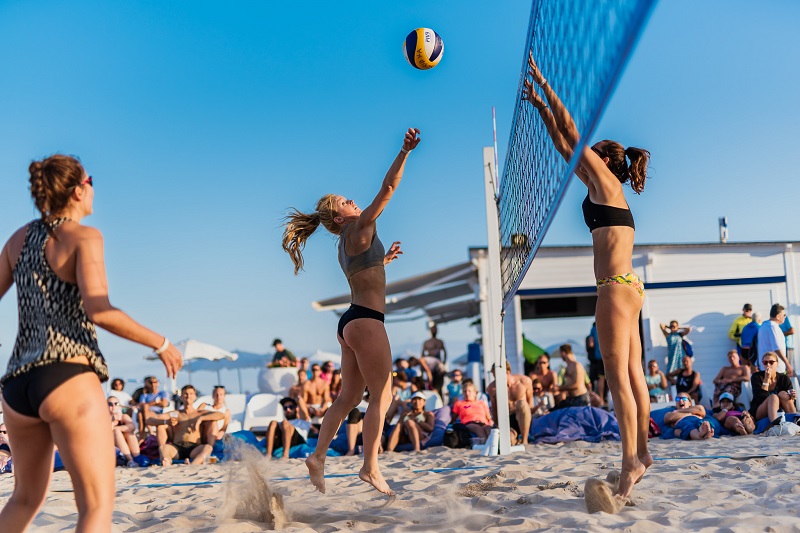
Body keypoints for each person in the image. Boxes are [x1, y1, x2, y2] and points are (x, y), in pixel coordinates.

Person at [0, 154, 182, 530]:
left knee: (24, 499)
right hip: (66, 375)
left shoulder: (17, 239)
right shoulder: (84, 236)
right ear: (79, 188)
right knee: (96, 506)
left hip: (18, 383)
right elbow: (100, 310)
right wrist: (161, 343)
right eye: (92, 180)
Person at [523, 55, 652, 499]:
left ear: (604, 161)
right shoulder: (602, 188)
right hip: (630, 287)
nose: (584, 159)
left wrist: (546, 83)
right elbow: (565, 146)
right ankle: (643, 453)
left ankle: (630, 462)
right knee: (633, 375)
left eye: (591, 157)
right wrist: (540, 109)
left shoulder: (607, 185)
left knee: (618, 379)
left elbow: (573, 135)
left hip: (614, 290)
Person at [281, 127, 420, 495]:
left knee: (348, 398)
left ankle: (318, 456)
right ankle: (370, 467)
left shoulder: (348, 242)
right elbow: (388, 189)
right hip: (366, 322)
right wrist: (404, 152)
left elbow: (366, 276)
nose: (353, 201)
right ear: (339, 218)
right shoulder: (359, 227)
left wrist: (384, 258)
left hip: (351, 322)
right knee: (382, 395)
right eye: (345, 201)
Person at [147, 385, 223, 466]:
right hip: (177, 447)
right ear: (181, 396)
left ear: (195, 396)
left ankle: (193, 464)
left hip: (194, 447)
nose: (188, 396)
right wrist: (166, 422)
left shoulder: (200, 413)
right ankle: (166, 461)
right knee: (163, 447)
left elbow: (221, 415)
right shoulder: (176, 413)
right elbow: (149, 420)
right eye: (185, 394)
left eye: (191, 393)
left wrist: (201, 419)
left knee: (208, 447)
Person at [486, 361, 533, 445]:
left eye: (498, 375)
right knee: (508, 441)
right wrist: (498, 426)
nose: (497, 378)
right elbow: (494, 409)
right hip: (508, 420)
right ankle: (515, 439)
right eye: (494, 375)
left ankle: (524, 440)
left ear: (508, 372)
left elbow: (529, 403)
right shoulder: (492, 388)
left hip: (523, 417)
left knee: (522, 404)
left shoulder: (524, 381)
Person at [749, 352, 797, 425]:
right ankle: (775, 424)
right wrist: (766, 379)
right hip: (760, 410)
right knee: (773, 397)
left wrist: (792, 397)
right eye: (765, 362)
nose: (768, 365)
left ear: (777, 363)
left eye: (771, 362)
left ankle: (794, 421)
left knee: (783, 394)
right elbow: (759, 399)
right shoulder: (756, 377)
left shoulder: (784, 378)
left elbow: (791, 400)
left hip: (781, 409)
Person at [757, 304, 794, 376]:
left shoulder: (763, 326)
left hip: (764, 366)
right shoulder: (773, 327)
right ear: (778, 316)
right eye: (784, 315)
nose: (785, 317)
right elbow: (777, 347)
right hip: (775, 368)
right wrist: (787, 363)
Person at [133, 376, 170, 440]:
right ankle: (150, 432)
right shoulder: (144, 395)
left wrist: (148, 404)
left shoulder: (162, 393)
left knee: (141, 413)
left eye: (155, 382)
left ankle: (142, 437)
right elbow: (141, 406)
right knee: (141, 413)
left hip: (157, 414)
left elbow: (164, 404)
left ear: (158, 383)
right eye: (151, 382)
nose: (153, 384)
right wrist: (156, 402)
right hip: (146, 414)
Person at [554, 344, 590, 408]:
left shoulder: (576, 365)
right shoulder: (568, 367)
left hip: (581, 399)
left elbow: (576, 385)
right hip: (572, 398)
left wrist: (559, 388)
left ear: (563, 353)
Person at [108, 396, 139, 467]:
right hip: (112, 449)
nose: (113, 406)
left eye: (116, 404)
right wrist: (113, 421)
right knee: (116, 432)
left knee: (129, 432)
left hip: (125, 448)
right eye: (110, 404)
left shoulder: (123, 417)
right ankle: (130, 460)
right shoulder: (104, 418)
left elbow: (132, 427)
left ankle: (137, 457)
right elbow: (105, 433)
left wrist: (117, 428)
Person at [586, 322, 607, 406]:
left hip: (598, 356)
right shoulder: (606, 326)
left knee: (601, 378)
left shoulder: (594, 329)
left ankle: (601, 398)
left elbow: (591, 343)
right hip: (607, 355)